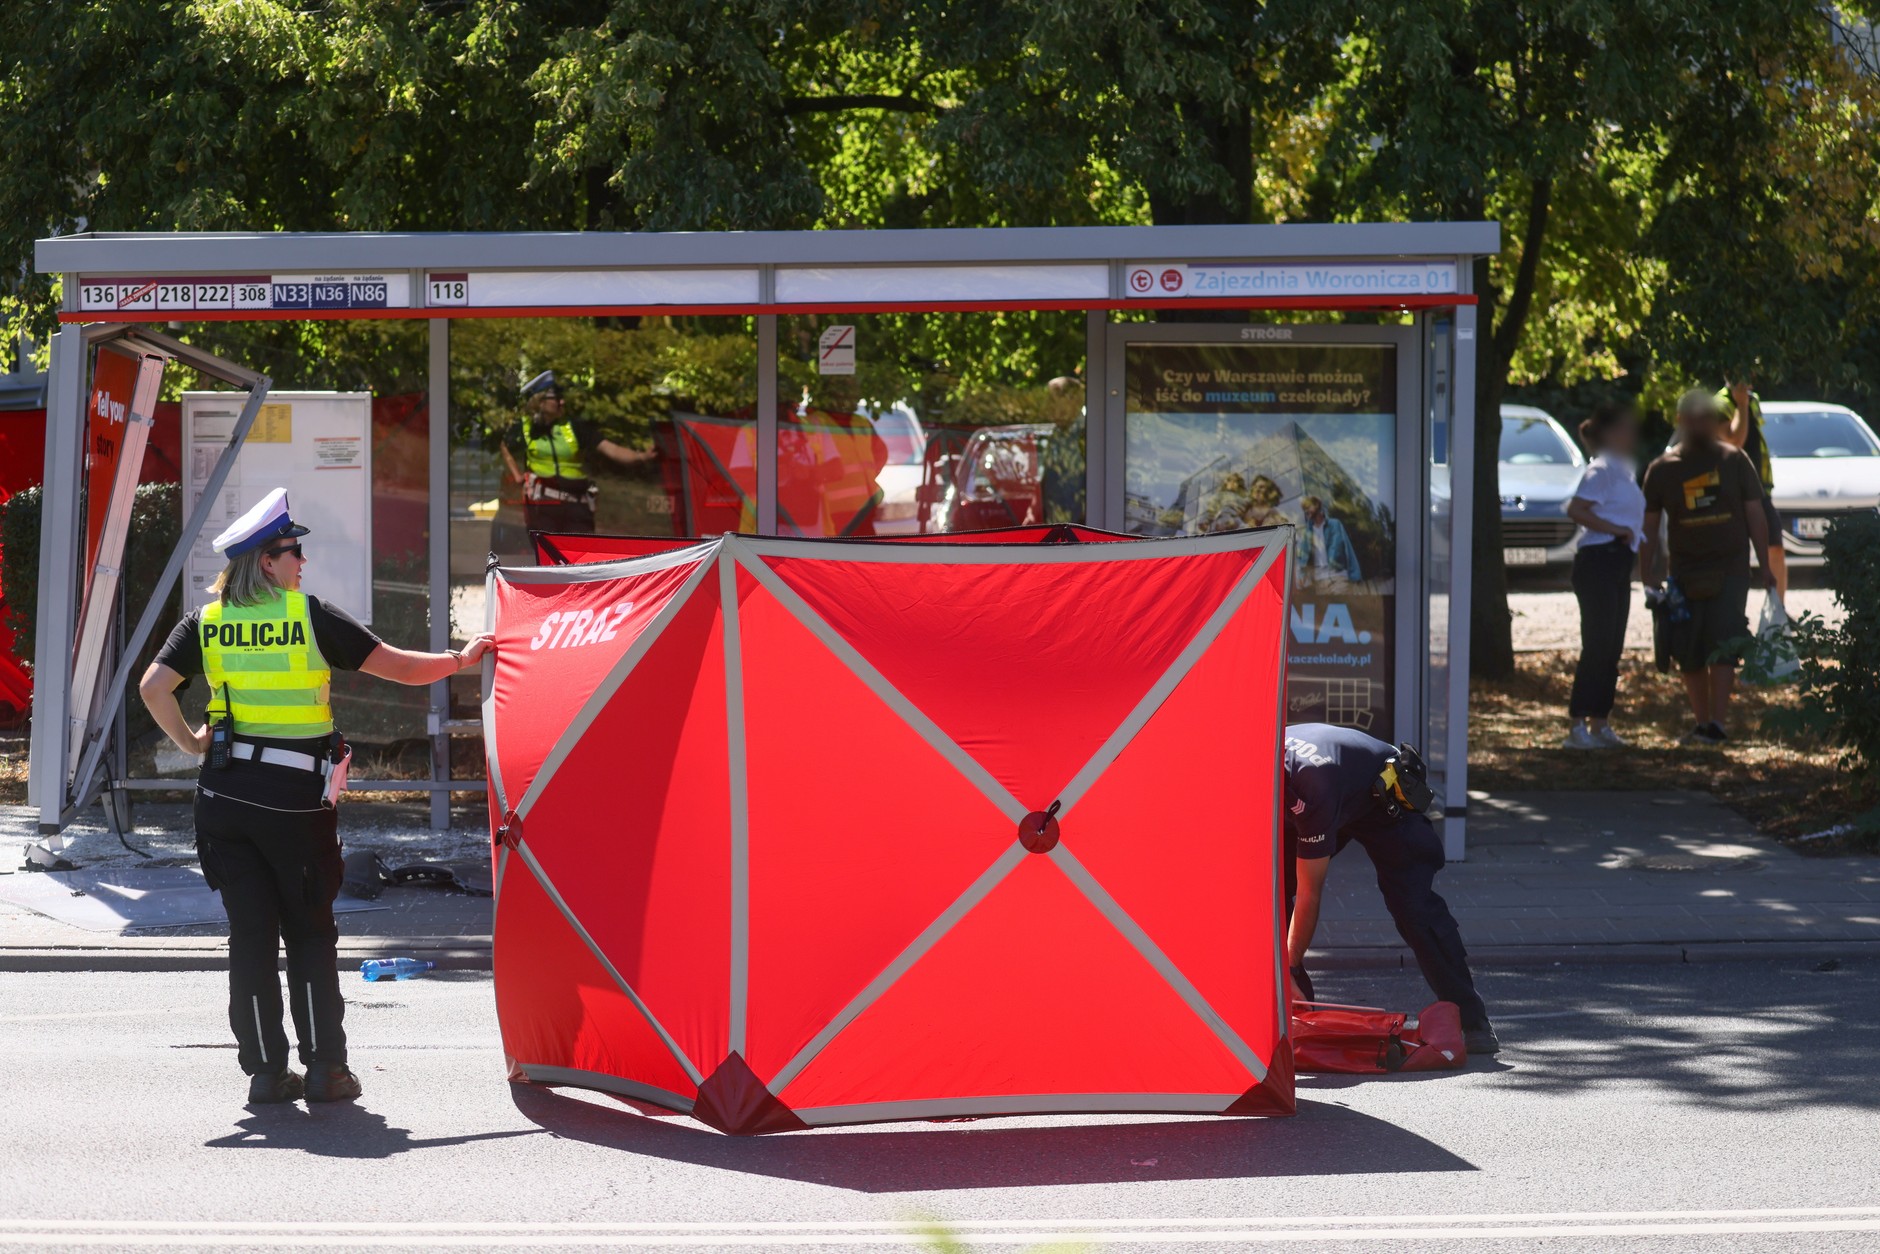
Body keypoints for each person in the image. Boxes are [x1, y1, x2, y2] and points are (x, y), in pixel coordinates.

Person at [138, 489, 495, 1105]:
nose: (302, 560)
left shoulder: (207, 621)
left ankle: (265, 1074)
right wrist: (462, 660)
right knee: (307, 934)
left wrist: (194, 744)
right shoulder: (307, 615)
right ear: (265, 562)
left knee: (250, 937)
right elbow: (400, 667)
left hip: (222, 801)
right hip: (293, 804)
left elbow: (152, 687)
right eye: (291, 550)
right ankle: (327, 1070)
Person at [1282, 723, 1497, 1055]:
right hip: (1332, 789)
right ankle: (1297, 1019)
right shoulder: (1251, 768)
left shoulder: (1311, 789)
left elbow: (1311, 892)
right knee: (1269, 893)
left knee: (1413, 907)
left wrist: (1287, 966)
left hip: (1382, 796)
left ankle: (1471, 1018)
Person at [1641, 390, 1777, 745]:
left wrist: (1765, 565)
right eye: (1693, 417)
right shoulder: (1662, 469)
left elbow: (1755, 513)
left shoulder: (1735, 460)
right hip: (1683, 574)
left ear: (1716, 421)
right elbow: (1649, 526)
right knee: (1688, 650)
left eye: (1707, 417)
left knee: (1724, 644)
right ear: (1679, 422)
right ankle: (1701, 724)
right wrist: (1647, 575)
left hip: (1730, 571)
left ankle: (1718, 723)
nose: (1700, 424)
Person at [1562, 404, 1646, 749]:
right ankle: (1578, 726)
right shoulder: (1601, 470)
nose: (1632, 435)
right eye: (1625, 428)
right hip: (1598, 561)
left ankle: (1600, 722)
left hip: (1618, 563)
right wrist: (1616, 530)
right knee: (1596, 644)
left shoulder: (1623, 469)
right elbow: (1576, 509)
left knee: (1612, 645)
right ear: (1610, 434)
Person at [499, 370, 647, 534]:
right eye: (556, 398)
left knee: (581, 555)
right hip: (544, 506)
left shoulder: (574, 427)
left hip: (577, 506)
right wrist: (518, 475)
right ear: (540, 401)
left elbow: (610, 449)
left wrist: (641, 456)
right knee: (550, 557)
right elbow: (504, 444)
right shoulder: (524, 428)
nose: (562, 402)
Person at [1717, 377, 1787, 603]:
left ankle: (1779, 609)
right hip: (1734, 491)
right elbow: (1734, 441)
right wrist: (1741, 404)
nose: (1753, 377)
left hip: (1761, 490)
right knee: (1737, 553)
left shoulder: (1753, 400)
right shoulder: (1720, 404)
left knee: (1775, 546)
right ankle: (1733, 611)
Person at [1296, 495, 1362, 589]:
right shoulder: (1307, 533)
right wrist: (1301, 576)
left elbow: (1348, 549)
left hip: (1338, 577)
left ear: (1317, 506)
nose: (1306, 511)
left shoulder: (1335, 525)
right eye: (1304, 509)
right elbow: (1302, 557)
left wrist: (1355, 575)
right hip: (1319, 581)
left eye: (1308, 507)